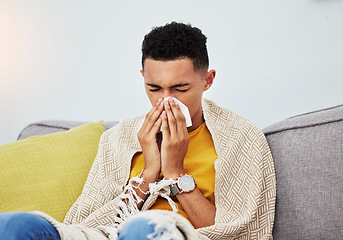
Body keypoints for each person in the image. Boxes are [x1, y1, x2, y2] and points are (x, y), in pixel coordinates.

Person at [0, 22, 276, 239]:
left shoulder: (240, 136)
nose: (165, 100)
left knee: (144, 229)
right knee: (16, 224)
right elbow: (87, 225)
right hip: (115, 235)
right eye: (154, 88)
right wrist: (148, 173)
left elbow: (238, 233)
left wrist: (176, 173)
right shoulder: (119, 138)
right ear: (143, 77)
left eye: (180, 88)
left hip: (167, 234)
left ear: (207, 80)